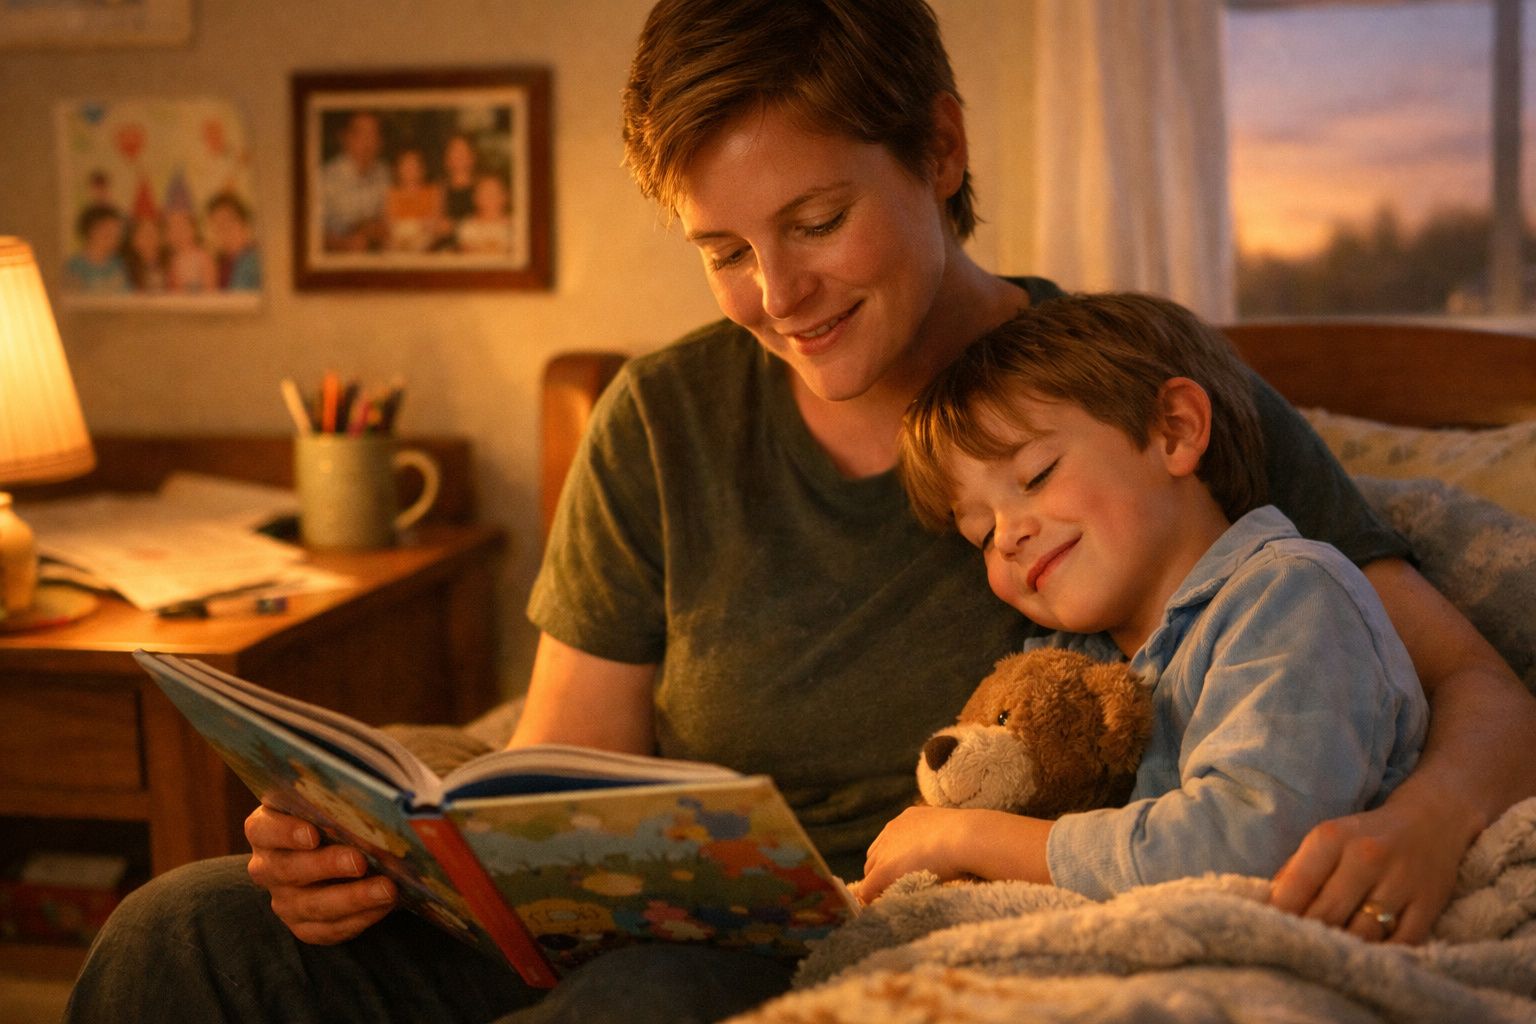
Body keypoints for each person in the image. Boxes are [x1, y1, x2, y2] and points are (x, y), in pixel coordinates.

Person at [66, 1, 1536, 1021]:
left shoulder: (1130, 403)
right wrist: (373, 856)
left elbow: (1474, 685)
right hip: (642, 915)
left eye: (817, 222)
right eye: (722, 250)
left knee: (651, 1003)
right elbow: (548, 775)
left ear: (940, 151)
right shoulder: (662, 419)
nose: (778, 297)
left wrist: (1424, 822)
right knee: (177, 932)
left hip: (841, 942)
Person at [857, 292, 1428, 901]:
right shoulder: (1068, 670)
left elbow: (1250, 844)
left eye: (1037, 475)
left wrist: (971, 838)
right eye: (981, 534)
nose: (1009, 537)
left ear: (1174, 431)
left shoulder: (1292, 597)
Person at [321, 110, 391, 253]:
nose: (367, 142)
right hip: (337, 255)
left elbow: (390, 220)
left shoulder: (385, 174)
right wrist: (342, 244)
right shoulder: (325, 178)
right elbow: (311, 231)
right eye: (360, 134)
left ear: (380, 142)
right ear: (345, 138)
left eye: (373, 135)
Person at [385, 147, 445, 252]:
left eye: (414, 165)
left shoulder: (433, 191)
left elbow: (435, 221)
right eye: (406, 165)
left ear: (422, 169)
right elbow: (390, 224)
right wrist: (415, 225)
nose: (410, 169)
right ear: (398, 169)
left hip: (425, 242)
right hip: (399, 241)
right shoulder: (392, 194)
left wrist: (415, 226)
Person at [64, 203, 128, 293]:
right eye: (108, 232)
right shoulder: (74, 267)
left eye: (117, 234)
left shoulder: (122, 265)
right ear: (91, 231)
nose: (114, 239)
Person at [205, 191, 262, 291]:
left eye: (228, 222)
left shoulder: (255, 259)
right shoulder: (221, 263)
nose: (223, 231)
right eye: (217, 226)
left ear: (244, 223)